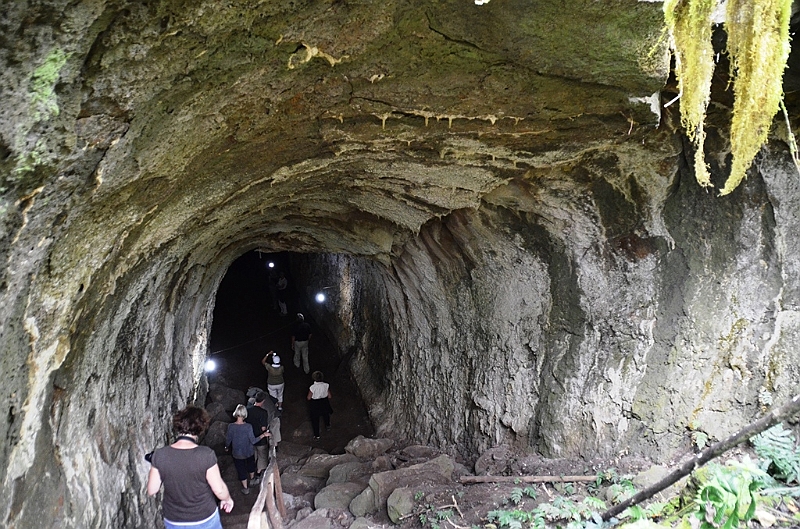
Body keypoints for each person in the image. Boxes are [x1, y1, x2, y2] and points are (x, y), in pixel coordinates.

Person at [147, 406, 233, 529]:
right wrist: (227, 499)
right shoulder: (206, 454)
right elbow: (219, 489)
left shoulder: (160, 455)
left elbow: (152, 490)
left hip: (174, 519)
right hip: (204, 517)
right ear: (200, 428)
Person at [225, 404, 269, 495]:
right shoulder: (248, 426)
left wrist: (226, 446)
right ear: (245, 414)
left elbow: (228, 439)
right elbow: (253, 441)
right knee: (250, 466)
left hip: (237, 453)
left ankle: (245, 488)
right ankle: (252, 480)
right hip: (249, 451)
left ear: (236, 413)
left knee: (241, 470)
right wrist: (263, 435)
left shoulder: (231, 426)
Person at [246, 391, 282, 478]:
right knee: (262, 455)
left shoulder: (248, 410)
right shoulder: (263, 412)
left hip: (251, 436)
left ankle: (252, 469)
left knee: (254, 452)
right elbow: (264, 428)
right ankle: (259, 472)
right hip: (261, 437)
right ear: (263, 400)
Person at [307, 371, 333, 440]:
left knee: (315, 419)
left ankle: (317, 435)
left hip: (315, 404)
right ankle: (328, 425)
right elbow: (329, 396)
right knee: (326, 414)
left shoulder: (312, 387)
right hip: (324, 402)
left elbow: (309, 397)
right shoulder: (326, 385)